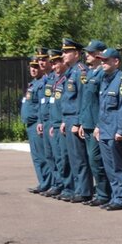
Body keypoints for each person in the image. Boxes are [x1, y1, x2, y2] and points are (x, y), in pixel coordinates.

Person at [94, 48, 122, 211]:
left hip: (115, 129)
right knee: (109, 165)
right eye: (101, 61)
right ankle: (115, 196)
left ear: (116, 61)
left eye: (105, 60)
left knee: (119, 165)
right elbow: (102, 107)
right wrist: (98, 126)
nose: (102, 63)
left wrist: (119, 130)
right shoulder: (105, 79)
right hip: (104, 128)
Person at [59, 38, 92, 203]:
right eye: (63, 51)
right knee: (72, 157)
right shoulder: (70, 72)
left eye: (67, 52)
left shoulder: (80, 71)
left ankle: (84, 190)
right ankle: (77, 188)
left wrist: (79, 122)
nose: (63, 54)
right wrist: (65, 120)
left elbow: (83, 99)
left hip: (76, 119)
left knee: (79, 157)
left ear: (77, 54)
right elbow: (68, 100)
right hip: (69, 117)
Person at [80, 41, 110, 207]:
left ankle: (104, 193)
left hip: (97, 125)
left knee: (97, 160)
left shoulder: (101, 75)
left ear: (99, 54)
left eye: (91, 53)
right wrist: (83, 123)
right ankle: (101, 193)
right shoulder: (91, 73)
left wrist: (98, 124)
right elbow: (86, 102)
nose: (87, 55)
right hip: (89, 123)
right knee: (93, 161)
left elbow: (102, 103)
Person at [47, 49, 72, 200]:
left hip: (62, 123)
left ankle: (68, 187)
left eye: (56, 62)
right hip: (54, 123)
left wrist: (63, 120)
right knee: (57, 157)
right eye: (53, 63)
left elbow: (66, 104)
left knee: (65, 157)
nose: (54, 65)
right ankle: (61, 185)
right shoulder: (56, 80)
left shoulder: (66, 79)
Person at [37, 49, 62, 197]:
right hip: (46, 121)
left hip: (54, 121)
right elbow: (44, 103)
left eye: (45, 60)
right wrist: (41, 120)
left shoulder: (55, 78)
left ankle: (60, 184)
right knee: (49, 155)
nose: (42, 62)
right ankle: (54, 183)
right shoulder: (44, 80)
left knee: (58, 155)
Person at [23, 57, 50, 194]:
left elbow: (41, 104)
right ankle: (42, 182)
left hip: (36, 124)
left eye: (36, 67)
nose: (33, 69)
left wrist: (40, 121)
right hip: (30, 124)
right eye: (31, 66)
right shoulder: (33, 84)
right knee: (36, 157)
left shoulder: (42, 84)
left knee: (42, 156)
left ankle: (47, 183)